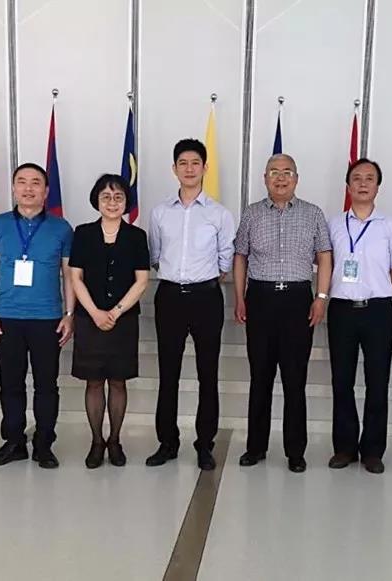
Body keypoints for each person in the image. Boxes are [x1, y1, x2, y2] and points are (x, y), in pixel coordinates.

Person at [233, 154, 332, 473]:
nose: (280, 178)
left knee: (294, 378)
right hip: (260, 299)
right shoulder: (251, 213)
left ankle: (295, 451)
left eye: (287, 172)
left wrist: (321, 298)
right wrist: (239, 297)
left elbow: (325, 256)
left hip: (297, 301)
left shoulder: (312, 214)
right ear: (265, 178)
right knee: (260, 377)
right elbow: (240, 257)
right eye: (274, 172)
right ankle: (255, 447)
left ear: (296, 178)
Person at [0, 163, 75, 469]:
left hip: (47, 318)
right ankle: (14, 442)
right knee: (11, 383)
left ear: (46, 191)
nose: (28, 188)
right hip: (6, 317)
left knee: (47, 384)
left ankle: (44, 444)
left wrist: (69, 314)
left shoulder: (62, 228)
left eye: (36, 183)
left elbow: (69, 275)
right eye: (22, 182)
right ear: (13, 188)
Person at [146, 138, 236, 471]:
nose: (189, 169)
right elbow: (155, 255)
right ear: (174, 169)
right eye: (182, 163)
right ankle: (167, 443)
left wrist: (201, 279)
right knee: (168, 374)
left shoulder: (219, 214)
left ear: (205, 168)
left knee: (207, 375)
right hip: (169, 297)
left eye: (195, 163)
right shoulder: (159, 213)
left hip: (206, 298)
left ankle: (204, 444)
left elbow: (225, 259)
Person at [326, 158, 392, 474]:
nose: (363, 183)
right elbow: (325, 265)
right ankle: (345, 448)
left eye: (369, 178)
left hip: (377, 311)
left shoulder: (390, 226)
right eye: (357, 178)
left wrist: (375, 289)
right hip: (341, 311)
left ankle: (373, 450)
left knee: (378, 381)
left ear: (378, 186)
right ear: (348, 186)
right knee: (342, 381)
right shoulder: (334, 224)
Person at [70, 174, 150, 468]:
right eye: (106, 196)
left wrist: (114, 312)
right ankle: (96, 442)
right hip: (89, 318)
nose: (112, 202)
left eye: (118, 197)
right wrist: (94, 312)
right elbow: (75, 277)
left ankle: (114, 440)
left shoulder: (136, 236)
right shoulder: (83, 233)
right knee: (93, 382)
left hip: (123, 321)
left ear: (126, 202)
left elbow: (142, 280)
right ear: (97, 200)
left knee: (118, 381)